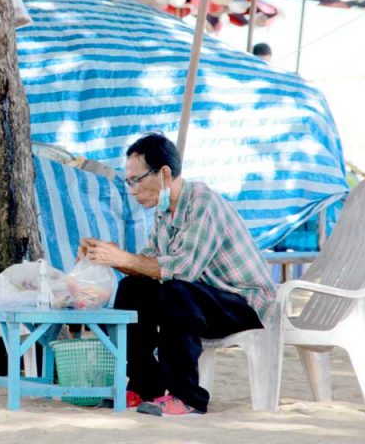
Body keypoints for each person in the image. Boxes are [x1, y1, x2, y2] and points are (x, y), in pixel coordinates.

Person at [79, 133, 276, 417]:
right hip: (204, 299)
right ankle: (146, 386)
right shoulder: (164, 212)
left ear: (164, 174)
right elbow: (146, 264)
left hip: (245, 303)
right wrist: (105, 254)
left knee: (176, 290)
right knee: (133, 288)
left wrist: (122, 258)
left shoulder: (202, 203)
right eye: (128, 182)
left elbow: (183, 269)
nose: (132, 190)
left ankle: (188, 397)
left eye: (136, 180)